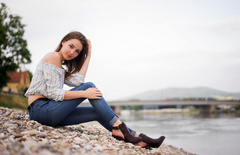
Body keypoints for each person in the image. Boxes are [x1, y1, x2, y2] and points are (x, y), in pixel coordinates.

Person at [25, 31, 165, 148]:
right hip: (41, 110)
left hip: (49, 114)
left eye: (77, 51)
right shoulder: (53, 56)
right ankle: (122, 129)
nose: (72, 52)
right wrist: (85, 93)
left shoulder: (60, 67)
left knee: (97, 112)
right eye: (71, 46)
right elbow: (53, 93)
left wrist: (88, 55)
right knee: (90, 87)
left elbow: (78, 81)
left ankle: (138, 137)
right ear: (63, 42)